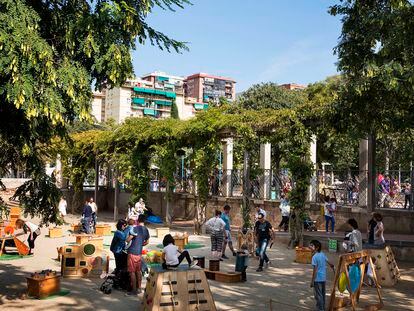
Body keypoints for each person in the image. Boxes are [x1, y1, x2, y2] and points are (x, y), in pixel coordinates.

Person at [125, 217, 150, 296]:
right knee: (138, 271)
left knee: (132, 272)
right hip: (139, 253)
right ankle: (139, 288)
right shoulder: (146, 230)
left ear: (138, 221)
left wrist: (127, 240)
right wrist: (140, 244)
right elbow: (147, 242)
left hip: (132, 252)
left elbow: (129, 239)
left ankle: (134, 290)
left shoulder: (135, 228)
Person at [310, 239, 335, 311]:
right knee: (322, 294)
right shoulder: (322, 254)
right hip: (323, 278)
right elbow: (328, 261)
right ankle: (322, 308)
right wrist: (331, 265)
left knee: (318, 295)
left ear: (317, 247)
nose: (310, 247)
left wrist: (312, 281)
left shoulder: (314, 257)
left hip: (317, 279)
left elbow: (315, 270)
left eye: (312, 246)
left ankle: (320, 309)